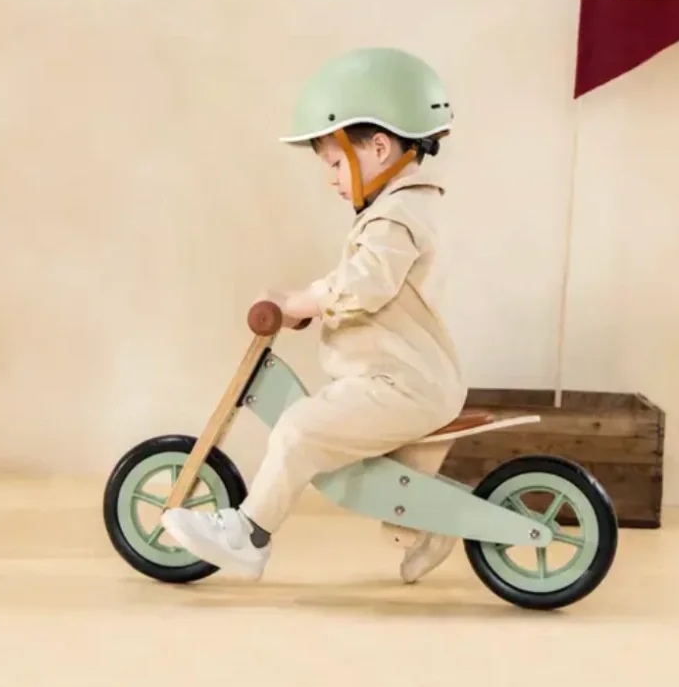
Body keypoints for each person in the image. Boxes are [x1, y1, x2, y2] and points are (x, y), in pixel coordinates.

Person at [160, 47, 468, 583]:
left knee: (300, 429)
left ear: (379, 147)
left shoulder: (397, 216)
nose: (331, 178)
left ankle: (249, 536)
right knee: (361, 464)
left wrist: (301, 303)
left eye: (334, 162)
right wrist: (302, 300)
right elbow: (362, 279)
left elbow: (363, 284)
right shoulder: (401, 208)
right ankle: (430, 525)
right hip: (407, 378)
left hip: (402, 384)